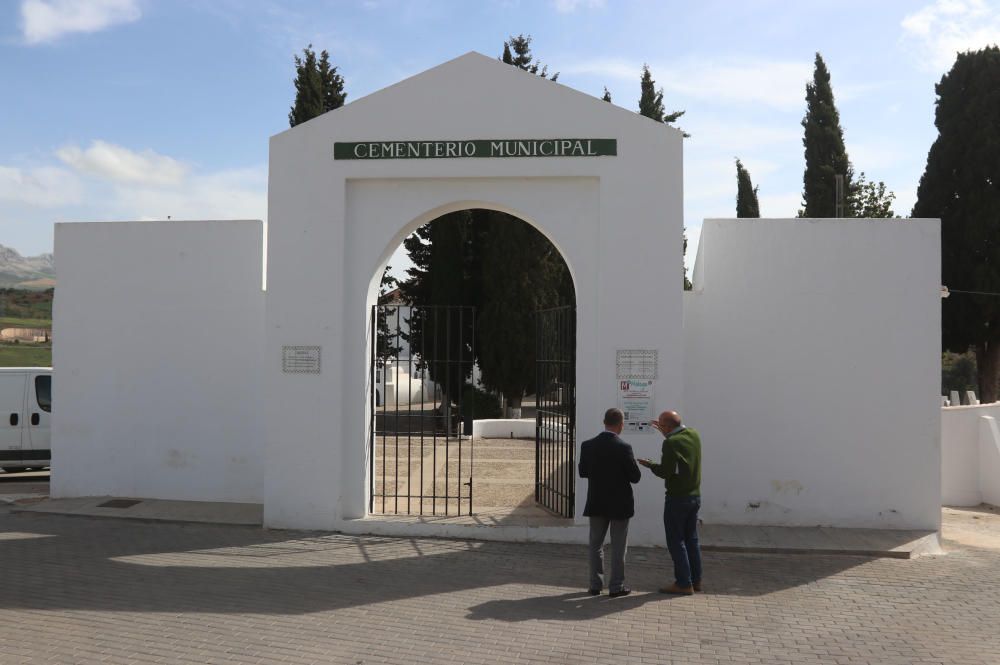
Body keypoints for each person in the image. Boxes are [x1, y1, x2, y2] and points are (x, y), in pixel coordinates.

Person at [578, 407, 642, 597]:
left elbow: (583, 472)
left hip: (596, 501)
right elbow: (635, 477)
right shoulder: (624, 447)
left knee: (595, 545)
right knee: (618, 547)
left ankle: (595, 585)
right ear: (621, 425)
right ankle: (616, 586)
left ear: (604, 422)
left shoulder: (587, 445)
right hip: (620, 505)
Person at [638, 410, 702, 595]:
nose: (660, 427)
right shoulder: (694, 434)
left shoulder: (670, 443)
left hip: (677, 498)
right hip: (694, 496)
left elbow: (665, 472)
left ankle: (683, 583)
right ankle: (696, 580)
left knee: (676, 541)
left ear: (667, 427)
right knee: (692, 540)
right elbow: (680, 449)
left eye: (661, 425)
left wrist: (649, 464)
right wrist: (666, 432)